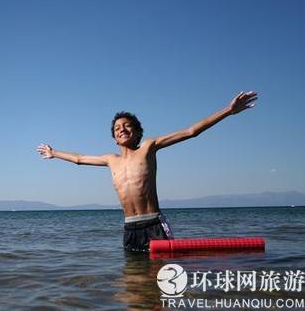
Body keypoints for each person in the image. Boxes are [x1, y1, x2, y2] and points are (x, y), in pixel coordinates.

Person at [37, 91, 258, 252]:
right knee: (134, 281)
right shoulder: (110, 160)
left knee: (161, 281)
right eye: (117, 128)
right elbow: (79, 159)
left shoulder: (147, 147)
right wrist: (54, 152)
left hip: (154, 224)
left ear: (138, 132)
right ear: (114, 138)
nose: (122, 129)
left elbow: (191, 131)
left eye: (127, 126)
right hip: (130, 227)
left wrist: (228, 111)